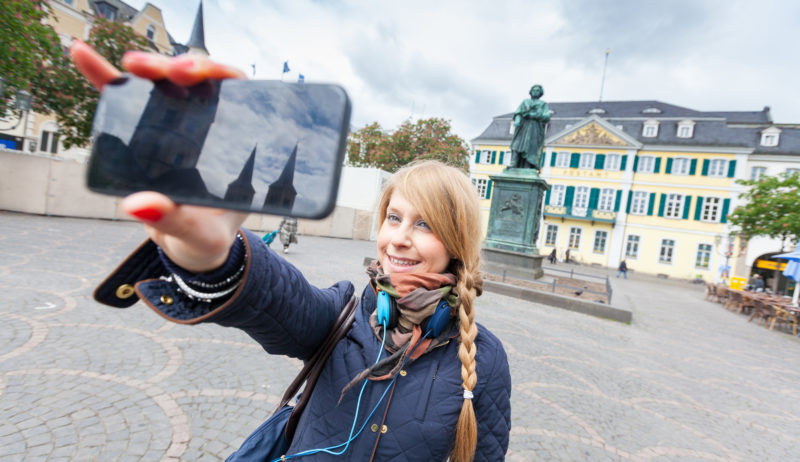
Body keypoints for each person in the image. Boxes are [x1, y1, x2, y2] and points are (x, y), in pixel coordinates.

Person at [73, 42, 510, 461]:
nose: (397, 237)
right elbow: (274, 298)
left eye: (424, 224)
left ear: (456, 243)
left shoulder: (485, 360)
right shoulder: (343, 316)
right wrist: (213, 259)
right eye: (393, 217)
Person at [510, 84, 550, 170]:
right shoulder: (525, 102)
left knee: (530, 147)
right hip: (522, 127)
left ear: (541, 93)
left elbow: (547, 117)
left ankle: (528, 166)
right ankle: (513, 163)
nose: (535, 91)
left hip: (534, 128)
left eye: (538, 90)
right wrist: (517, 120)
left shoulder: (543, 104)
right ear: (530, 91)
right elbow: (518, 113)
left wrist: (535, 115)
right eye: (534, 90)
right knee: (516, 144)